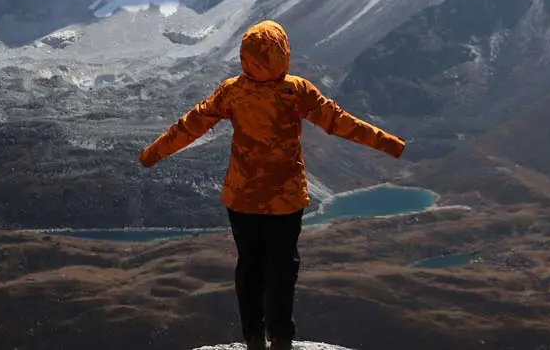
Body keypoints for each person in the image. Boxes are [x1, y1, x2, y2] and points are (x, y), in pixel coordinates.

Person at [139, 19, 406, 350]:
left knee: (249, 266)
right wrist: (388, 143)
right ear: (282, 52)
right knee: (282, 268)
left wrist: (153, 154)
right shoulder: (296, 90)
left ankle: (253, 338)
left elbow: (189, 125)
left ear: (246, 55)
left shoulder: (231, 92)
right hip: (286, 198)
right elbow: (339, 122)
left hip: (242, 198)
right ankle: (281, 339)